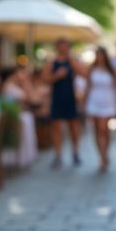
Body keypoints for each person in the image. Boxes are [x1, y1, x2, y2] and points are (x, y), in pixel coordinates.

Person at [44, 38, 85, 168]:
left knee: (73, 127)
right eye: (61, 46)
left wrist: (71, 60)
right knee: (56, 127)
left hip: (70, 97)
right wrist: (57, 76)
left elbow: (83, 73)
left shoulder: (72, 61)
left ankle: (75, 152)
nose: (63, 49)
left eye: (65, 46)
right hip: (57, 97)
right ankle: (58, 155)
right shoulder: (52, 62)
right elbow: (45, 79)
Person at [84, 47, 116, 172]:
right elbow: (88, 87)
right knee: (96, 130)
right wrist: (84, 102)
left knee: (104, 129)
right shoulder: (92, 70)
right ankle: (101, 155)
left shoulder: (111, 70)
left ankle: (105, 153)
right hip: (94, 101)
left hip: (107, 101)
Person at [0, 67, 39, 168]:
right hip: (17, 116)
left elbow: (34, 99)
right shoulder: (8, 86)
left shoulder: (19, 85)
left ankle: (23, 158)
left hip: (23, 114)